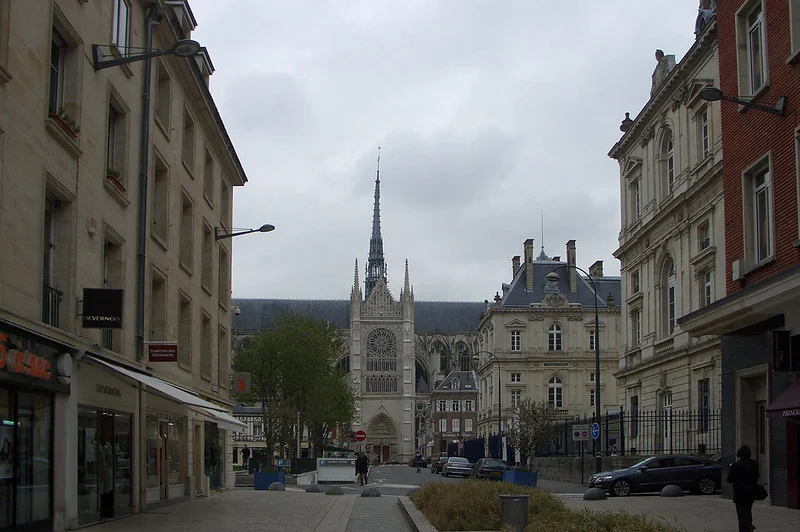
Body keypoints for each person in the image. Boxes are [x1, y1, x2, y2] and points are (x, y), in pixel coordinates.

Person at [727, 444, 760, 532]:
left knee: (741, 513)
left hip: (739, 493)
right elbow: (757, 476)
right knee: (748, 510)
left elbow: (729, 479)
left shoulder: (735, 465)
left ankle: (745, 527)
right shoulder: (754, 464)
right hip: (751, 492)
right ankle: (748, 524)